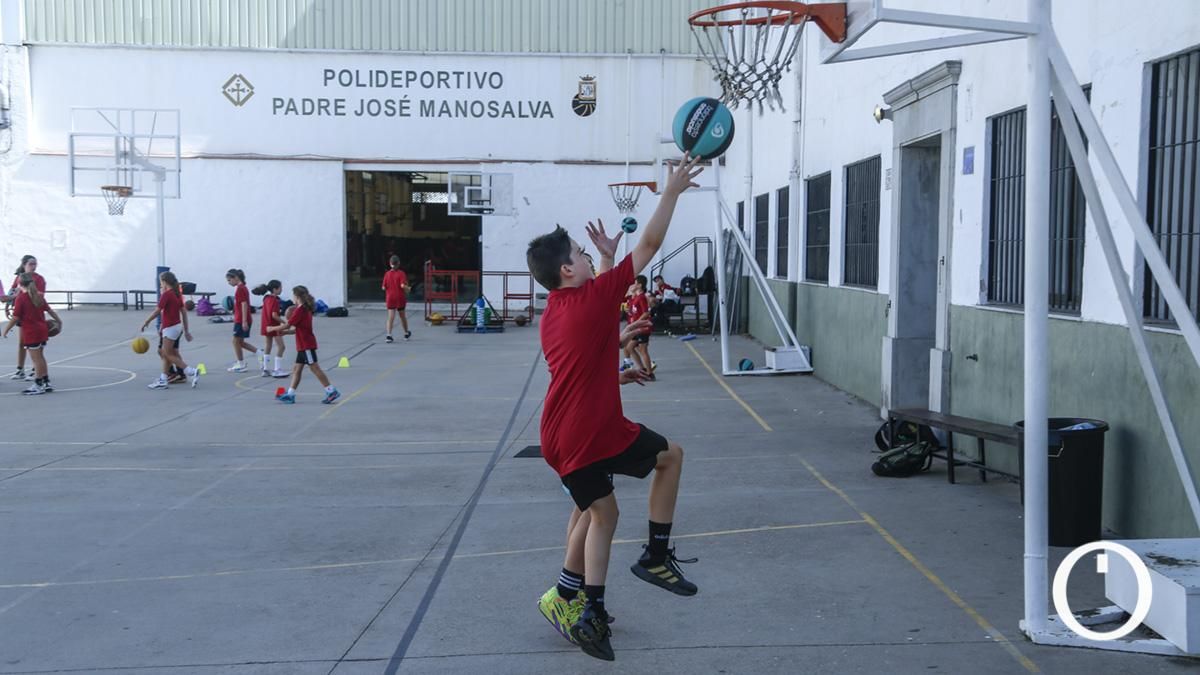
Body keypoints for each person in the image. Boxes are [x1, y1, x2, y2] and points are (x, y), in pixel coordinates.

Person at [525, 154, 703, 661]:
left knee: (592, 508)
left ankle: (573, 596)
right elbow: (647, 247)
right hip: (589, 432)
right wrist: (670, 192)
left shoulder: (556, 311)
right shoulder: (592, 298)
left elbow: (587, 351)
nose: (589, 256)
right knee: (613, 505)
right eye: (581, 253)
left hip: (567, 431)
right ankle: (613, 589)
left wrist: (618, 366)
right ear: (567, 269)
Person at [267, 285, 340, 405]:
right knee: (296, 369)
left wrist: (272, 328)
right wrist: (285, 332)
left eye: (293, 296)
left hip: (306, 345)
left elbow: (288, 325)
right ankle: (290, 394)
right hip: (303, 345)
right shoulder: (304, 309)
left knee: (314, 368)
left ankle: (331, 391)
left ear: (297, 297)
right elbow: (298, 329)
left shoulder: (300, 310)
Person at [2, 272, 61, 395]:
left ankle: (38, 384)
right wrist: (59, 321)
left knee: (36, 359)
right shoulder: (38, 295)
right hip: (42, 330)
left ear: (19, 284)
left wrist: (5, 330)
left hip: (31, 332)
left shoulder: (21, 298)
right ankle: (46, 382)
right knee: (41, 357)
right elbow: (50, 310)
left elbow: (15, 318)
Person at [140, 271, 199, 389]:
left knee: (167, 354)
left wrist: (147, 321)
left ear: (165, 282)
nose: (160, 285)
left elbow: (158, 311)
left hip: (171, 328)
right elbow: (180, 312)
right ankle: (163, 379)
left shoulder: (167, 295)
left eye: (161, 282)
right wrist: (186, 330)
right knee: (167, 353)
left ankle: (191, 371)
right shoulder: (176, 294)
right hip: (176, 327)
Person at [8, 256, 46, 382]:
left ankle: (37, 371)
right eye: (31, 264)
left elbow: (39, 295)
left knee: (34, 346)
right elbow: (12, 292)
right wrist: (9, 305)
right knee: (22, 343)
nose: (34, 266)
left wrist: (22, 293)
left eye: (35, 264)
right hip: (22, 314)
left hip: (34, 316)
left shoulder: (39, 279)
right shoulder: (19, 277)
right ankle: (20, 369)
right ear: (24, 265)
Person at [225, 269, 259, 372]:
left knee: (235, 342)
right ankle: (260, 353)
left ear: (236, 278)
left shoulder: (240, 289)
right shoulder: (242, 288)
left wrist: (244, 321)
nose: (229, 282)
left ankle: (241, 364)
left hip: (241, 319)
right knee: (240, 342)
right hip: (240, 318)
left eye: (229, 280)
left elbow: (244, 304)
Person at [253, 280, 289, 377]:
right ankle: (277, 369)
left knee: (268, 345)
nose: (282, 289)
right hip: (274, 326)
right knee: (281, 347)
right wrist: (284, 322)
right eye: (280, 288)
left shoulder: (266, 298)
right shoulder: (274, 300)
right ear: (275, 289)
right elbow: (274, 315)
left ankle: (265, 368)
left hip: (265, 325)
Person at [623, 276, 654, 379]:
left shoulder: (641, 297)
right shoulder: (635, 297)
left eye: (635, 283)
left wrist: (637, 322)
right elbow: (633, 309)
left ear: (640, 285)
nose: (633, 285)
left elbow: (646, 312)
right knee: (629, 347)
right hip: (636, 327)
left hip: (642, 327)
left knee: (643, 349)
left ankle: (649, 373)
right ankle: (642, 369)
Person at [382, 255, 411, 343]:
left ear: (390, 263)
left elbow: (383, 287)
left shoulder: (387, 274)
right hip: (399, 298)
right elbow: (402, 285)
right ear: (398, 263)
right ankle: (406, 333)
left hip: (390, 298)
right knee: (402, 316)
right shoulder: (401, 273)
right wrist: (408, 288)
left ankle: (389, 335)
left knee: (390, 317)